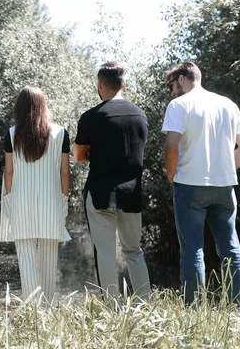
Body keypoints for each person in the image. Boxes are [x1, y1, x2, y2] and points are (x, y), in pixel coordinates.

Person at [162, 61, 240, 308]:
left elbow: (171, 148)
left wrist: (171, 175)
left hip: (189, 185)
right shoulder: (227, 104)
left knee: (193, 251)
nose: (172, 91)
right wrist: (223, 170)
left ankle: (193, 311)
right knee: (230, 250)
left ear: (182, 79)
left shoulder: (179, 105)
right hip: (224, 187)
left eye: (172, 85)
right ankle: (239, 310)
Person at [74, 62, 151, 302]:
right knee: (134, 251)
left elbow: (78, 156)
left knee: (105, 253)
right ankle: (144, 303)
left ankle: (112, 308)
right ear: (123, 84)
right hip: (131, 193)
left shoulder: (91, 117)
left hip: (100, 193)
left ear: (100, 85)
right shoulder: (140, 115)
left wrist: (96, 156)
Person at [0, 86, 71, 305]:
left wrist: (9, 199)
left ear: (19, 108)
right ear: (43, 105)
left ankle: (33, 310)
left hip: (20, 201)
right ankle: (47, 308)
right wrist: (64, 199)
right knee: (49, 259)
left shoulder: (12, 135)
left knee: (27, 259)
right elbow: (65, 171)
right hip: (52, 200)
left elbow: (9, 171)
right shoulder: (60, 133)